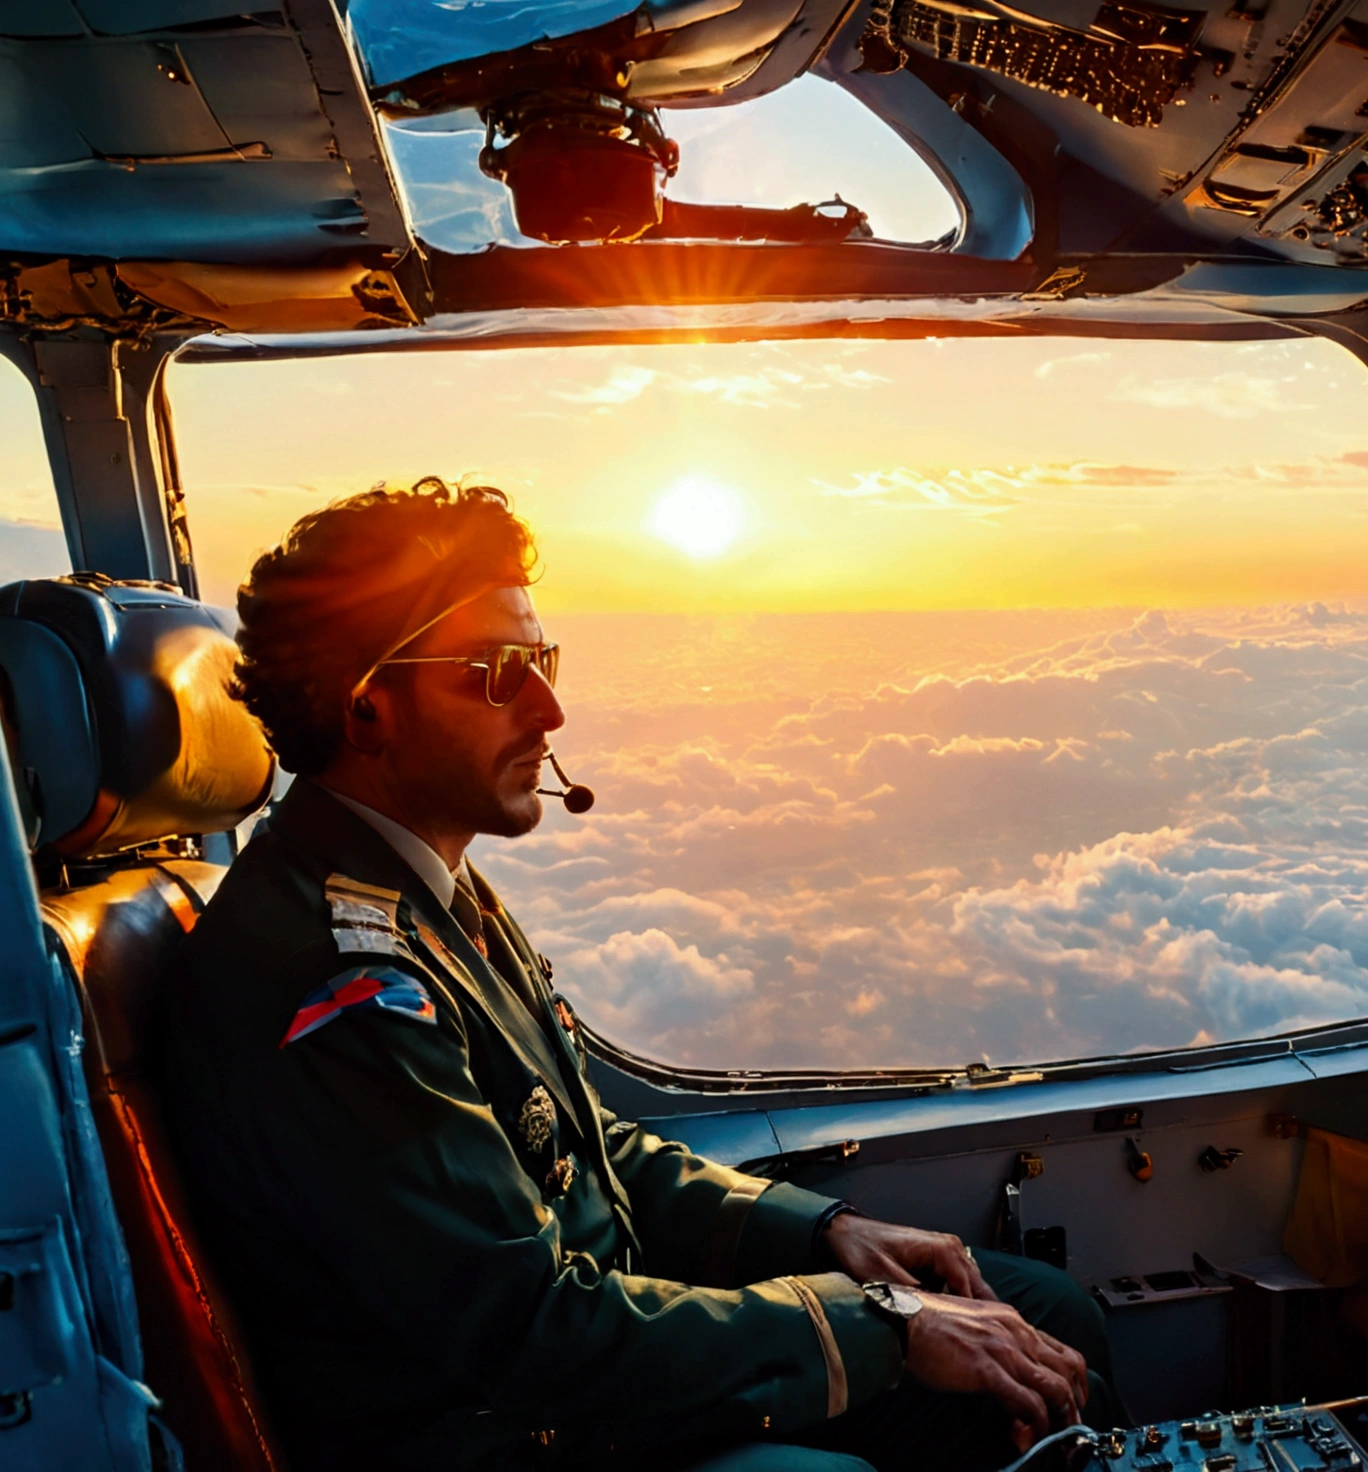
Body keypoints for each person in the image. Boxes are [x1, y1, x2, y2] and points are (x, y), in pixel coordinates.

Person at [163, 478, 1118, 1472]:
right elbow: (534, 1333)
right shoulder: (336, 981)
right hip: (508, 1433)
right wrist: (877, 1324)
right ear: (368, 708)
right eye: (498, 672)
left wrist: (825, 1230)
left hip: (587, 1379)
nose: (550, 706)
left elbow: (577, 1142)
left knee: (1047, 1316)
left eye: (542, 659)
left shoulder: (425, 887)